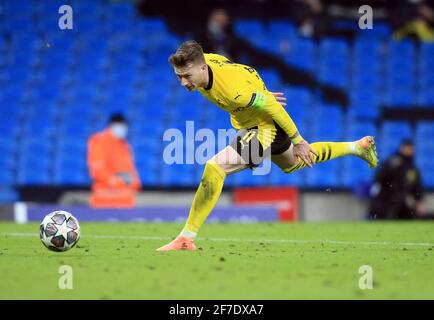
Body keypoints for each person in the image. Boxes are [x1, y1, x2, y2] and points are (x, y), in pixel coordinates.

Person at [156, 40, 378, 251]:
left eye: (186, 76)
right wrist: (259, 92)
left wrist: (298, 139)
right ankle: (357, 147)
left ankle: (186, 237)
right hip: (250, 122)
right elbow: (243, 70)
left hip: (264, 129)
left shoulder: (234, 91)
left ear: (203, 68)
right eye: (179, 77)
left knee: (215, 168)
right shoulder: (209, 61)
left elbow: (272, 107)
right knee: (292, 164)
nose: (183, 82)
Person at [87, 113, 141, 208]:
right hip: (104, 197)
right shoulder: (99, 141)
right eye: (120, 125)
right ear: (112, 126)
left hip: (125, 197)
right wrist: (116, 181)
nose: (122, 129)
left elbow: (130, 168)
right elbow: (98, 170)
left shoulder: (124, 145)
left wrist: (135, 182)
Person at [368, 139, 425, 220]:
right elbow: (379, 178)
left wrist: (419, 201)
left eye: (411, 149)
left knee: (409, 217)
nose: (409, 151)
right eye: (407, 148)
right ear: (402, 148)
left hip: (402, 200)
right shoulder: (392, 162)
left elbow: (417, 186)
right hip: (386, 198)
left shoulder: (412, 168)